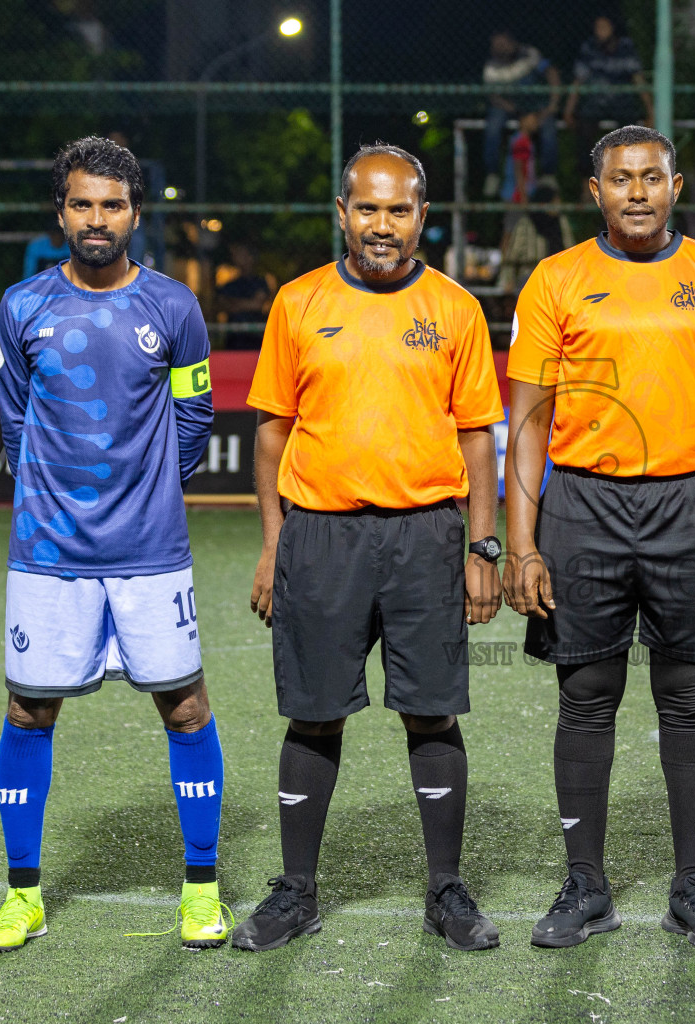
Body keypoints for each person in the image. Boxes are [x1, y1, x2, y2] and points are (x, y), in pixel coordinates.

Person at [503, 125, 695, 949]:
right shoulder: (557, 280)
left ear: (676, 186)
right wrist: (522, 544)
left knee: (689, 700)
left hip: (694, 505)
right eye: (620, 179)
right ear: (596, 192)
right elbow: (526, 421)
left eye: (650, 178)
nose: (636, 192)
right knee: (585, 700)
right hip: (581, 507)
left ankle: (692, 885)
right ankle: (586, 884)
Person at [233, 143, 505, 954]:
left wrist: (482, 546)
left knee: (431, 709)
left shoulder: (456, 308)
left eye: (398, 209)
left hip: (426, 534)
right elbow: (272, 433)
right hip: (320, 534)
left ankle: (446, 890)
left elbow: (479, 439)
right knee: (314, 715)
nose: (381, 224)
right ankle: (296, 892)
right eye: (367, 208)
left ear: (423, 216)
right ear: (342, 213)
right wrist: (272, 546)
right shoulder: (298, 302)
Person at [0, 136, 222, 953]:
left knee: (185, 706)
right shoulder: (22, 307)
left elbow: (195, 421)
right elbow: (15, 424)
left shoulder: (176, 308)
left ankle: (201, 888)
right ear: (61, 213)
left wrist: (148, 491)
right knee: (27, 708)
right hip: (48, 554)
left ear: (136, 214)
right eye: (82, 204)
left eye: (112, 205)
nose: (96, 219)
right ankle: (23, 896)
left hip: (152, 553)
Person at [564, 16, 652, 180]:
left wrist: (650, 111)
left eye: (604, 27)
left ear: (613, 28)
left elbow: (638, 80)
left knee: (629, 133)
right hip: (595, 103)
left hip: (621, 103)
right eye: (597, 27)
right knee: (584, 132)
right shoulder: (589, 48)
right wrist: (569, 109)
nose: (600, 31)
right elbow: (578, 81)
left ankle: (627, 179)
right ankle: (587, 183)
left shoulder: (625, 47)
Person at [483, 29, 561, 198]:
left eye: (503, 43)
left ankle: (548, 175)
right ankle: (493, 174)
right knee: (493, 126)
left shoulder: (529, 54)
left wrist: (552, 104)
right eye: (497, 45)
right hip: (508, 107)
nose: (501, 47)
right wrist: (510, 107)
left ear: (512, 41)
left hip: (535, 104)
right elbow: (493, 96)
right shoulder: (492, 66)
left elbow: (551, 72)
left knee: (548, 128)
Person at [214, 242, 274, 350]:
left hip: (256, 337)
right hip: (234, 338)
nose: (237, 257)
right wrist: (248, 303)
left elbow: (257, 305)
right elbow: (222, 305)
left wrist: (235, 303)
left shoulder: (260, 282)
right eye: (236, 254)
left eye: (242, 254)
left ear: (251, 257)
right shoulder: (229, 285)